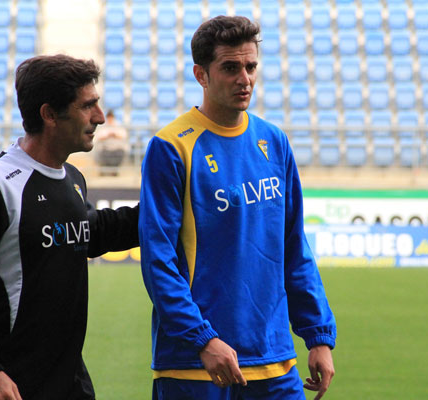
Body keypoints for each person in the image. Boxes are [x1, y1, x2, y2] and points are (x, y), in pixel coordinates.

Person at [139, 16, 336, 400]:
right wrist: (202, 339)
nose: (244, 78)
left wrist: (318, 335)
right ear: (201, 74)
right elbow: (157, 260)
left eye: (250, 66)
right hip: (196, 364)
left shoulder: (273, 141)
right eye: (230, 68)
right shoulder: (171, 147)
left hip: (273, 357)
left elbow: (294, 246)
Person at [0, 54, 139, 400]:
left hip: (65, 382)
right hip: (2, 386)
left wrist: (171, 206)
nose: (100, 118)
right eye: (88, 106)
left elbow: (93, 231)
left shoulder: (72, 178)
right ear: (49, 115)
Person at [93, 109, 129, 176]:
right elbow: (98, 137)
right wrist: (107, 136)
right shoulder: (103, 126)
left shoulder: (119, 125)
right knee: (99, 152)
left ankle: (115, 171)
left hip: (117, 148)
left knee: (120, 152)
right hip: (105, 148)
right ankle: (103, 171)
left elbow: (123, 136)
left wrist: (114, 135)